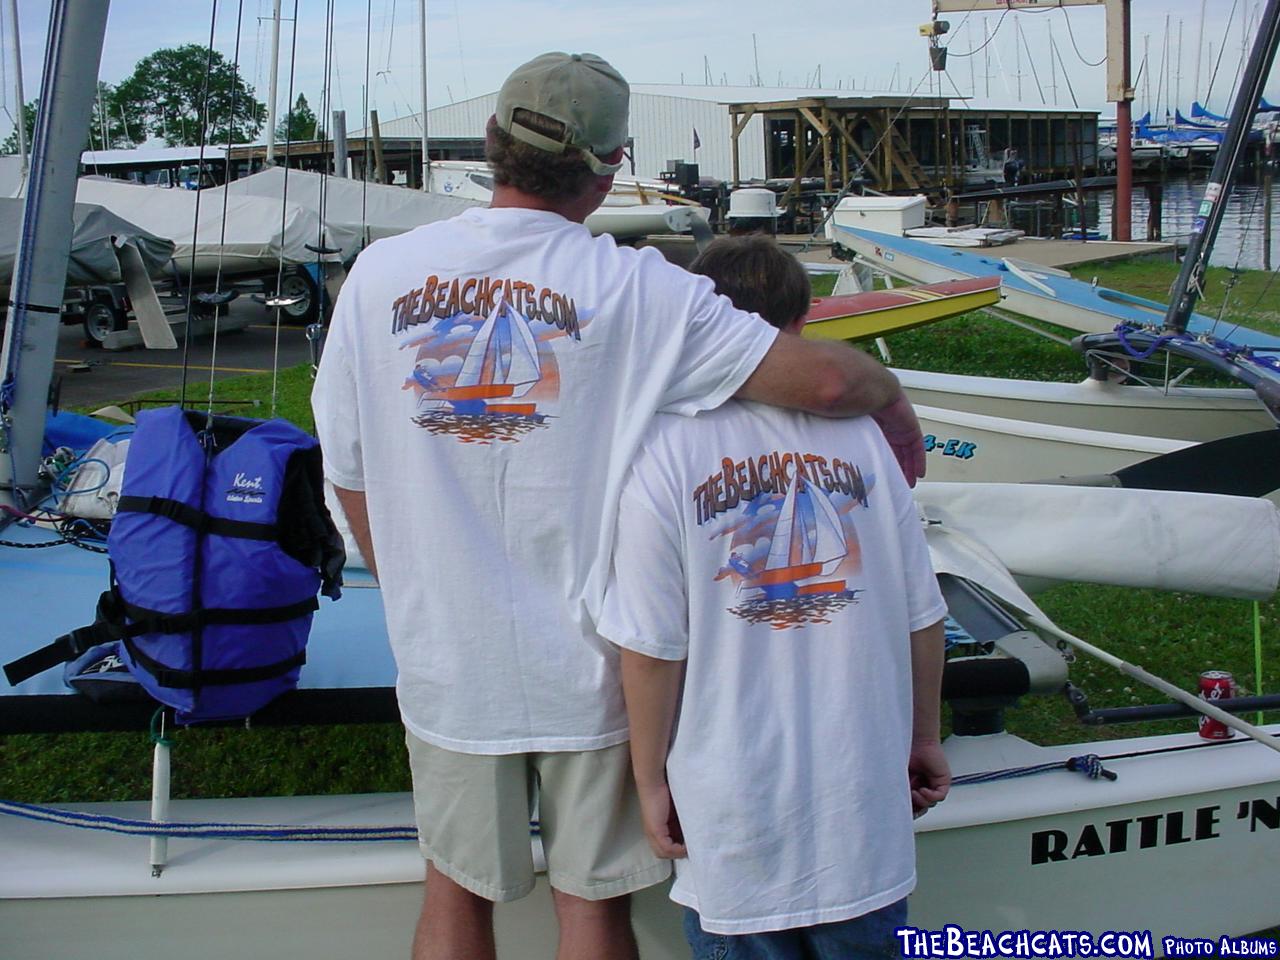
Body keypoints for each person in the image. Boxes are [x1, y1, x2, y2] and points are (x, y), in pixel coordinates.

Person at [312, 52, 927, 960]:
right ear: (609, 168)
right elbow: (832, 384)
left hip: (448, 659)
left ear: (491, 143)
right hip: (597, 667)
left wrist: (413, 587)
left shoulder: (378, 276)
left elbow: (351, 472)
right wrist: (896, 406)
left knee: (454, 895)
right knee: (592, 910)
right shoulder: (643, 291)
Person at [599, 234, 950, 959]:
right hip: (862, 822)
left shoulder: (658, 449)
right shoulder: (863, 437)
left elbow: (653, 647)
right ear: (802, 321)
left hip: (730, 822)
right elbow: (922, 616)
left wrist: (648, 776)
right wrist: (922, 735)